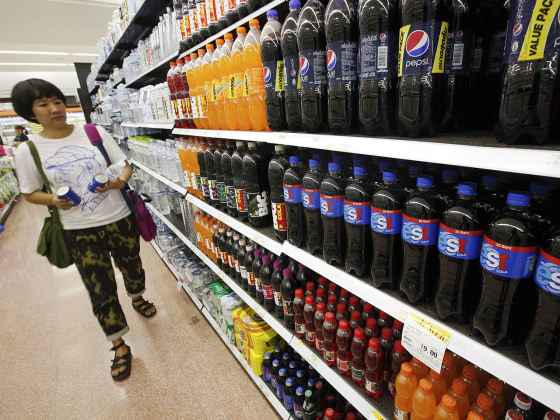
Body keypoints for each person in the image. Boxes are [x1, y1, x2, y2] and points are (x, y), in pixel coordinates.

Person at [11, 78, 156, 382]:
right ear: (30, 113)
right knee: (99, 287)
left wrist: (117, 181)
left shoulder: (93, 132)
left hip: (118, 217)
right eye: (43, 104)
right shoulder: (29, 151)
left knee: (132, 266)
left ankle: (137, 294)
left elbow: (124, 165)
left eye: (57, 101)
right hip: (79, 229)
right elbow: (28, 192)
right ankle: (118, 343)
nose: (54, 109)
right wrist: (53, 199)